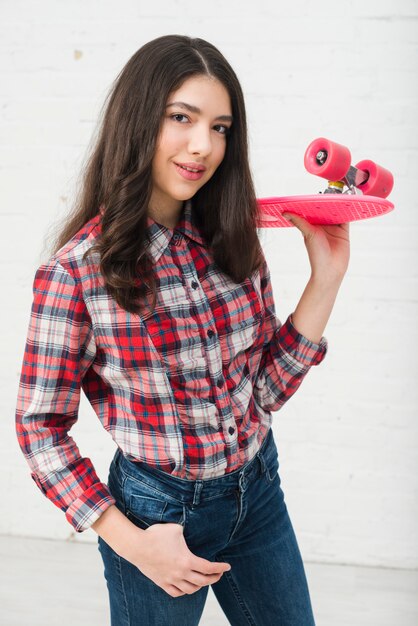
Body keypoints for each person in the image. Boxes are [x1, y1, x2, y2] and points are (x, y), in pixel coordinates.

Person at [15, 34, 349, 626]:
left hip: (258, 493)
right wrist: (131, 542)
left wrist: (326, 280)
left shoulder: (232, 238)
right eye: (181, 118)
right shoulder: (77, 272)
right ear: (139, 120)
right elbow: (40, 429)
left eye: (220, 127)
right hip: (156, 516)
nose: (203, 146)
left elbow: (263, 391)